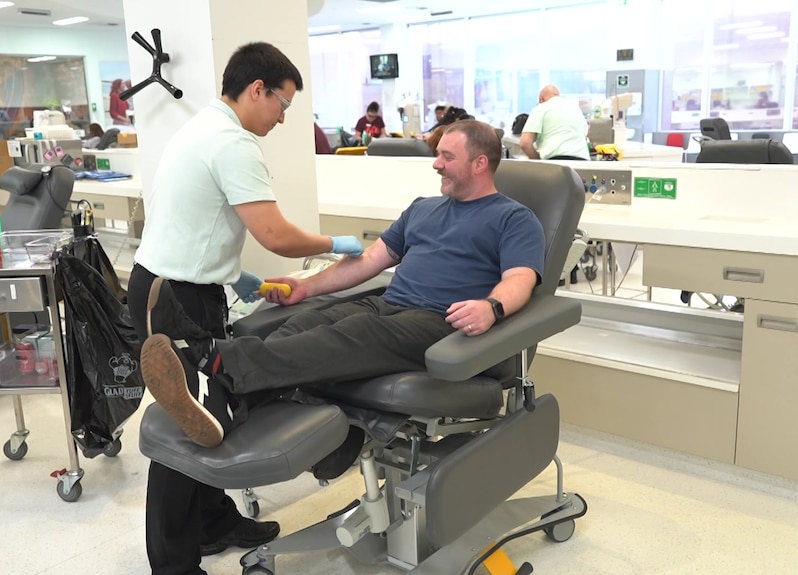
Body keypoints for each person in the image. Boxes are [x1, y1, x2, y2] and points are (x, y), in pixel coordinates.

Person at [139, 119, 545, 453]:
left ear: (479, 164)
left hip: (440, 324)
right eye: (437, 154)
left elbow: (520, 278)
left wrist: (491, 308)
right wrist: (307, 289)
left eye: (446, 156)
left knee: (353, 334)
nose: (435, 164)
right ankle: (224, 405)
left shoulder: (513, 218)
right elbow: (369, 260)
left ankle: (215, 361)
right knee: (302, 326)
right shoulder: (423, 208)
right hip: (389, 306)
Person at [126, 41, 364, 575]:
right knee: (183, 426)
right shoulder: (233, 144)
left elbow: (196, 220)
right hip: (177, 298)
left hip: (166, 283)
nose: (283, 118)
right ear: (257, 89)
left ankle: (213, 522)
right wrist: (340, 246)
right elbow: (276, 234)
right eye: (283, 103)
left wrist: (240, 279)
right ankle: (172, 563)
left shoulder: (196, 128)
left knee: (209, 411)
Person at [519, 85, 589, 161]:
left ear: (541, 99)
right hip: (583, 162)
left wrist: (537, 159)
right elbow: (585, 135)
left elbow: (525, 143)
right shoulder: (576, 110)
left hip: (555, 162)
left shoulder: (541, 108)